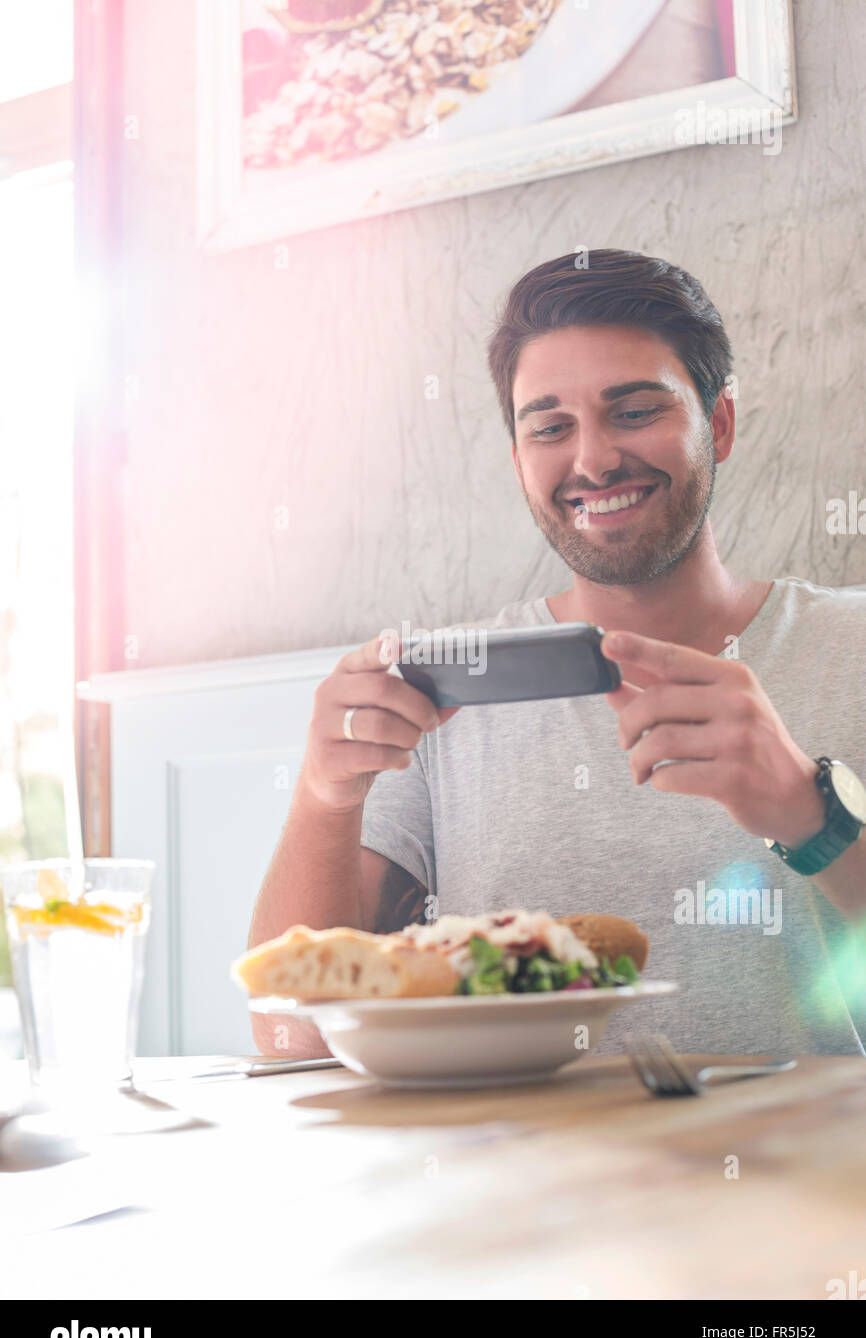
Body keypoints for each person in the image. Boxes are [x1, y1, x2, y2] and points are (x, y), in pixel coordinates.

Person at [248, 248, 866, 1060]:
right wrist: (325, 796)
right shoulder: (442, 691)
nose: (594, 459)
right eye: (550, 427)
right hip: (508, 1179)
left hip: (801, 1177)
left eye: (636, 410)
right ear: (518, 461)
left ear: (719, 423)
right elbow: (290, 1035)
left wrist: (814, 818)